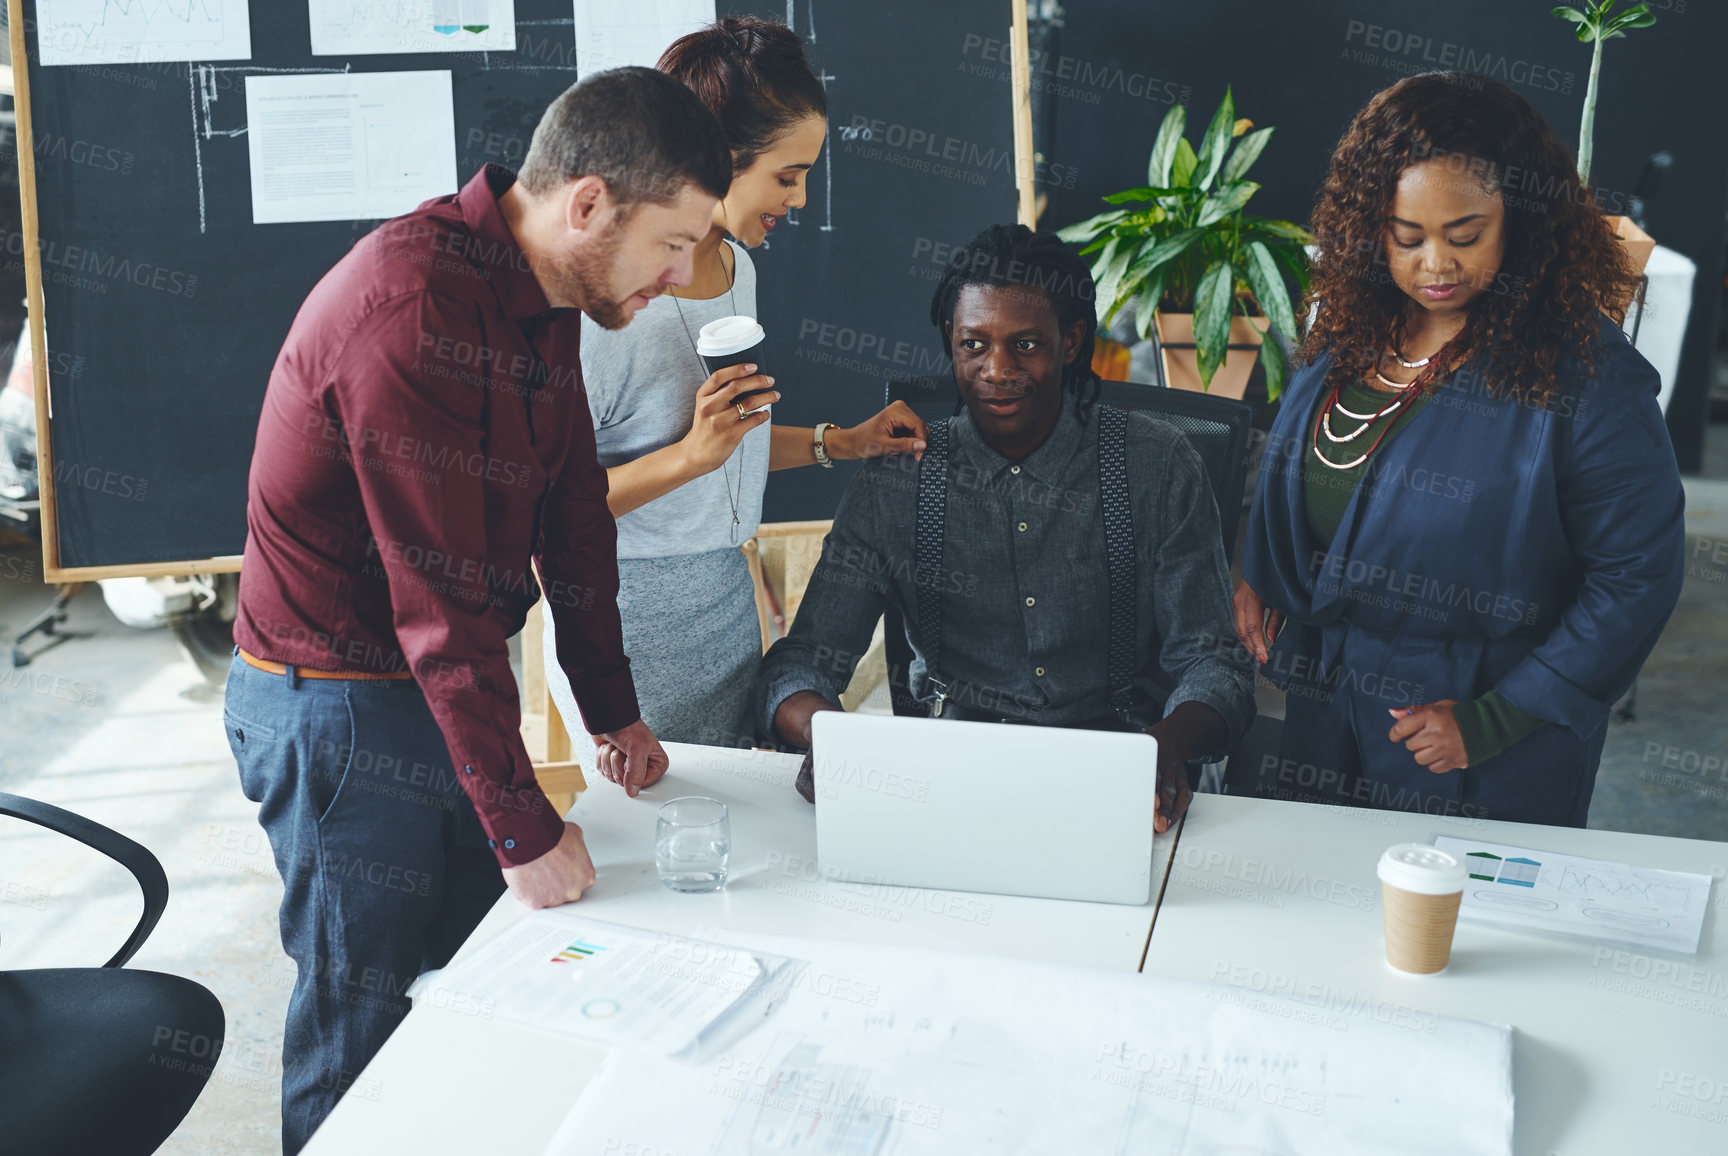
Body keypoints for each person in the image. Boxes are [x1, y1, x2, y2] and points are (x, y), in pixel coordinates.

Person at [224, 69, 728, 1152]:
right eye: (674, 243)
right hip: (339, 709)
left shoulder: (544, 290)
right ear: (586, 203)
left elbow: (574, 510)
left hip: (433, 687)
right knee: (359, 1022)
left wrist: (612, 708)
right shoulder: (412, 312)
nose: (684, 278)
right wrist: (520, 822)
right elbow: (441, 608)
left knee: (481, 992)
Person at [1233, 73, 1685, 826]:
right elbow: (1306, 462)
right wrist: (1267, 562)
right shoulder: (1353, 326)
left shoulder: (1588, 376)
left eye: (1465, 235)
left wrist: (1496, 720)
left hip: (1474, 729)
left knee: (1459, 939)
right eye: (1407, 238)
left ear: (1525, 221)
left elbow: (1639, 575)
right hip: (1329, 697)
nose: (1435, 265)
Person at [753, 224, 1256, 827]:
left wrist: (1168, 744)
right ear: (950, 339)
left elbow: (1213, 663)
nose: (996, 369)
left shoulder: (1159, 465)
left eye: (1024, 345)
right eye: (973, 345)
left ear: (1069, 342)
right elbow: (803, 661)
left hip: (1119, 768)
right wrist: (827, 736)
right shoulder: (898, 479)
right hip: (951, 775)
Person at [542, 17, 927, 756]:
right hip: (626, 615)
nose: (803, 199)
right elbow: (548, 509)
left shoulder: (736, 265)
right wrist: (691, 455)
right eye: (787, 175)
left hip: (725, 593)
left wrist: (842, 443)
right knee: (666, 835)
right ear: (716, 158)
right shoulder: (608, 301)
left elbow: (726, 448)